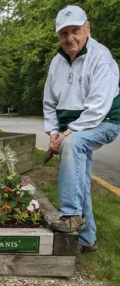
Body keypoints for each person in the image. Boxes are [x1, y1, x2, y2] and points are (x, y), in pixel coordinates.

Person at [43, 5, 120, 253]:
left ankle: (71, 214)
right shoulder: (56, 62)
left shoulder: (101, 58)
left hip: (105, 122)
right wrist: (54, 132)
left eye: (75, 30)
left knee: (74, 144)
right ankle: (88, 240)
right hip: (73, 129)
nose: (70, 38)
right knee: (80, 180)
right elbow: (49, 103)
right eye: (64, 33)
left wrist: (66, 136)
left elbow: (98, 109)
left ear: (87, 28)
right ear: (58, 36)